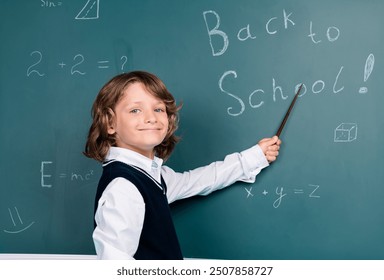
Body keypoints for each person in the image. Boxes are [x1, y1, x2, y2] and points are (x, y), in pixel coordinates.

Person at [84, 71, 281, 260]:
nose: (151, 117)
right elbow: (115, 265)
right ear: (110, 123)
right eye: (135, 110)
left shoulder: (150, 175)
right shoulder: (124, 187)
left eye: (158, 109)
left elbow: (198, 180)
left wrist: (255, 155)